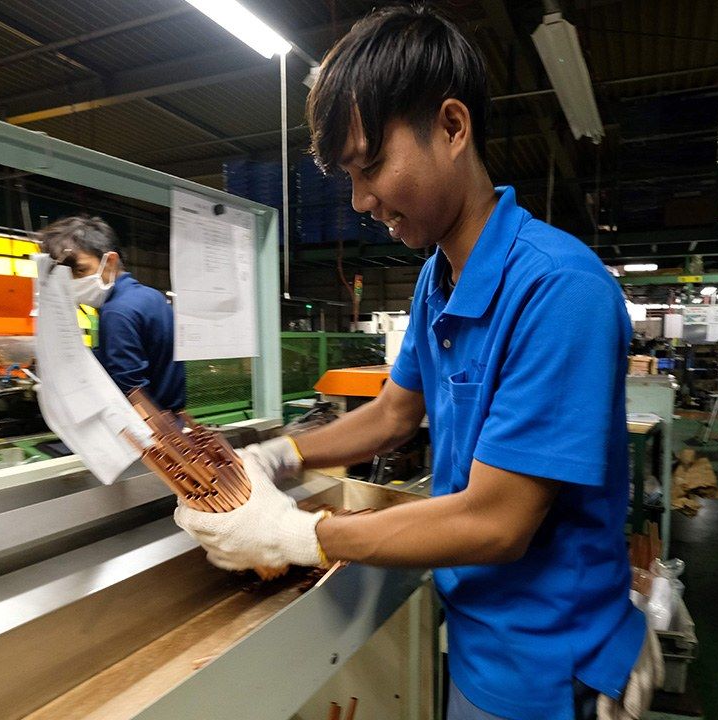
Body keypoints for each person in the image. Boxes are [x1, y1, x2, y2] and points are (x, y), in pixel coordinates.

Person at [173, 6, 659, 720]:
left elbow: (497, 522)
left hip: (549, 668)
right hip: (481, 635)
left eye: (370, 166)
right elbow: (395, 414)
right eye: (349, 176)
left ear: (453, 127)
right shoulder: (439, 280)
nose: (361, 200)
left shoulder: (559, 290)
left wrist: (300, 535)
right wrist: (279, 454)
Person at [37, 215, 186, 412]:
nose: (74, 282)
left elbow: (132, 391)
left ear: (110, 261)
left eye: (81, 270)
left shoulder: (117, 312)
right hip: (171, 418)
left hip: (147, 424)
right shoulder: (152, 296)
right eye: (68, 276)